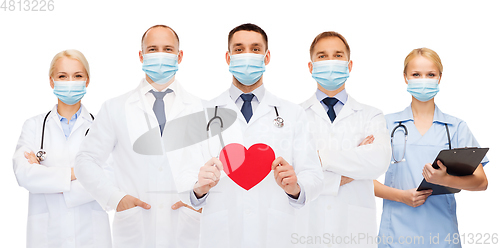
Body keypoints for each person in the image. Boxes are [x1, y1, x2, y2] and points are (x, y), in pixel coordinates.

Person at [184, 23, 324, 248]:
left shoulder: (292, 114)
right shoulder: (203, 114)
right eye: (239, 49)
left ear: (267, 57)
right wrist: (198, 188)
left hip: (276, 236)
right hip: (222, 236)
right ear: (228, 58)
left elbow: (315, 176)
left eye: (255, 49)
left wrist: (296, 188)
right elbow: (184, 178)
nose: (247, 55)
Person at [75, 25, 203, 248]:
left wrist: (202, 201)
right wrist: (115, 198)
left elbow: (220, 166)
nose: (160, 55)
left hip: (187, 227)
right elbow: (85, 161)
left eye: (168, 49)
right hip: (135, 228)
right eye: (152, 49)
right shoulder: (115, 108)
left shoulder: (202, 108)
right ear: (141, 56)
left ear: (179, 56)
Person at [374, 48, 488, 248]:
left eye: (430, 75)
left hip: (442, 237)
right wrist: (401, 196)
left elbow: (481, 182)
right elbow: (361, 180)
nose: (423, 80)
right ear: (405, 77)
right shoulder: (386, 125)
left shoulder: (455, 127)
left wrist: (445, 179)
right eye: (416, 74)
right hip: (396, 237)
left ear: (440, 78)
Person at [297, 31, 391, 247]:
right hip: (307, 232)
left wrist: (319, 158)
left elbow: (379, 161)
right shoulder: (294, 116)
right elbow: (293, 173)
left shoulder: (371, 115)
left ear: (349, 66)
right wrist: (346, 174)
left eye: (337, 55)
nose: (330, 61)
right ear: (311, 67)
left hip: (355, 235)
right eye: (322, 56)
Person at [13, 49, 112, 247]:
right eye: (62, 76)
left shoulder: (103, 127)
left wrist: (46, 176)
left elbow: (108, 180)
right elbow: (23, 174)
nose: (70, 82)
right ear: (51, 81)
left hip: (91, 236)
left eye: (77, 76)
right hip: (46, 236)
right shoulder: (33, 126)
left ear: (87, 80)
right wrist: (78, 173)